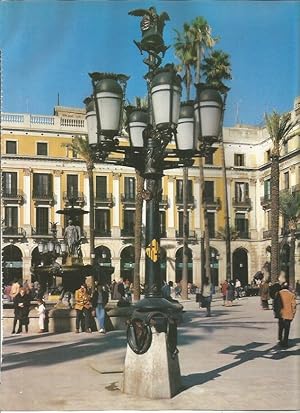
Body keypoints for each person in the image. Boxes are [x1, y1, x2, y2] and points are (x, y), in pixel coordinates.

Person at [274, 282, 297, 348]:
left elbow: (275, 304)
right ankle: (285, 342)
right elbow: (294, 305)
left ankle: (280, 340)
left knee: (280, 328)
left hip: (280, 314)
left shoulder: (278, 294)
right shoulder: (291, 295)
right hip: (288, 314)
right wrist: (293, 314)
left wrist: (276, 312)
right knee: (287, 329)